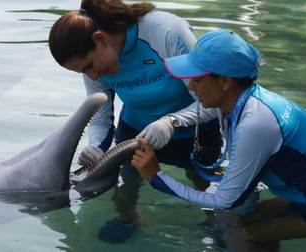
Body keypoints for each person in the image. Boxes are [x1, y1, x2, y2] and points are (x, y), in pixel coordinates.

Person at [131, 29, 306, 251]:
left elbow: (225, 200)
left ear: (225, 81)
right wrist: (170, 122)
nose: (191, 86)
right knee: (225, 226)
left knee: (233, 236)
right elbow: (203, 109)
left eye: (197, 79)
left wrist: (156, 177)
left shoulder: (256, 123)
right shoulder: (242, 100)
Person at [48, 0, 224, 243]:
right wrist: (97, 148)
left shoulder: (167, 31)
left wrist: (171, 122)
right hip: (135, 132)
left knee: (207, 183)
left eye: (89, 66)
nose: (92, 76)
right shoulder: (96, 67)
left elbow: (216, 102)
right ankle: (126, 216)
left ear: (100, 39)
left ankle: (214, 220)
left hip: (195, 131)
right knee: (127, 181)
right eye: (84, 72)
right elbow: (101, 114)